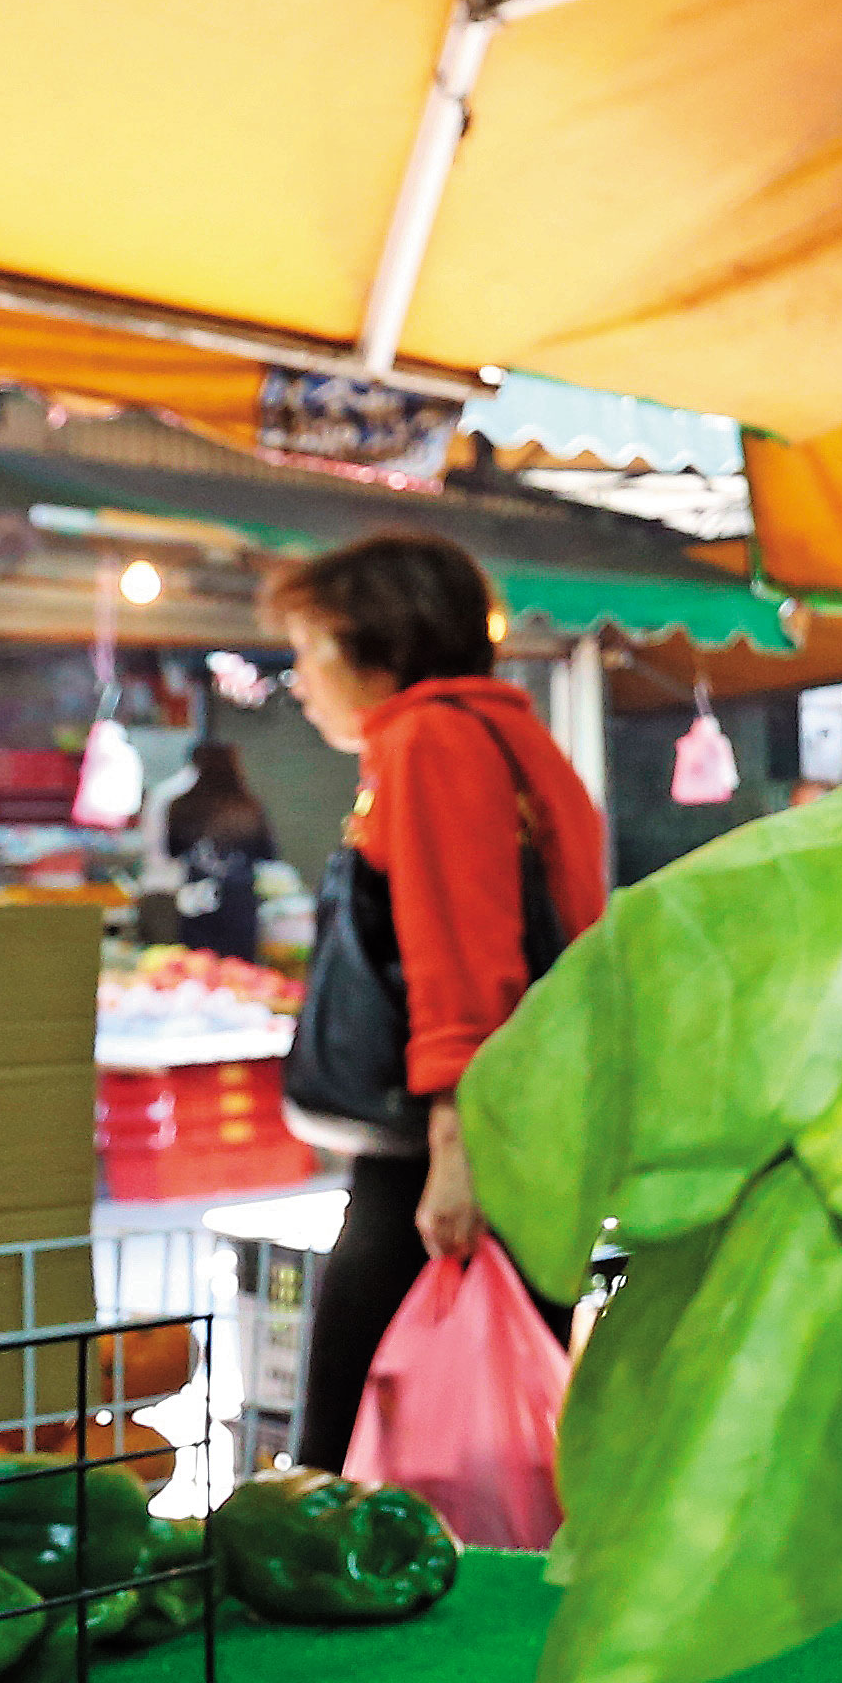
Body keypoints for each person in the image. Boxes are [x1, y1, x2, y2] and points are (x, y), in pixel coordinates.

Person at [267, 531, 602, 1469]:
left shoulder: (432, 740)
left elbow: (464, 952)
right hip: (517, 1131)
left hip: (433, 1148)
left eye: (309, 648)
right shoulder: (512, 737)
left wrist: (456, 1145)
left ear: (380, 642)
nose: (299, 676)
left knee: (328, 1460)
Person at [161, 742, 275, 958]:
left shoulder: (181, 805)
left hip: (196, 898)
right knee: (240, 972)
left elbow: (172, 850)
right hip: (239, 900)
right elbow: (268, 852)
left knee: (197, 970)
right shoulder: (249, 806)